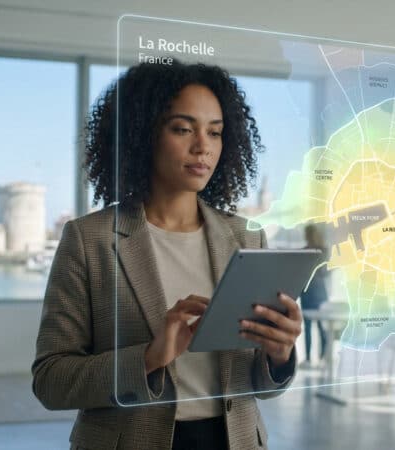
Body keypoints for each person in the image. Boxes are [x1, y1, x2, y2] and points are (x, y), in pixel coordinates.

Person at [32, 61, 301, 450]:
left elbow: (258, 386)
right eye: (183, 129)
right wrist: (147, 358)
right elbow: (51, 381)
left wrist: (280, 355)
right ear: (143, 134)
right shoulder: (88, 240)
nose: (202, 146)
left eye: (214, 132)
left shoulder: (246, 238)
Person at [300, 224, 329, 366]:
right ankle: (323, 357)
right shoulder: (324, 251)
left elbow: (299, 274)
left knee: (309, 327)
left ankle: (308, 359)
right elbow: (326, 272)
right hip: (319, 292)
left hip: (308, 292)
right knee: (321, 326)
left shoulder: (304, 252)